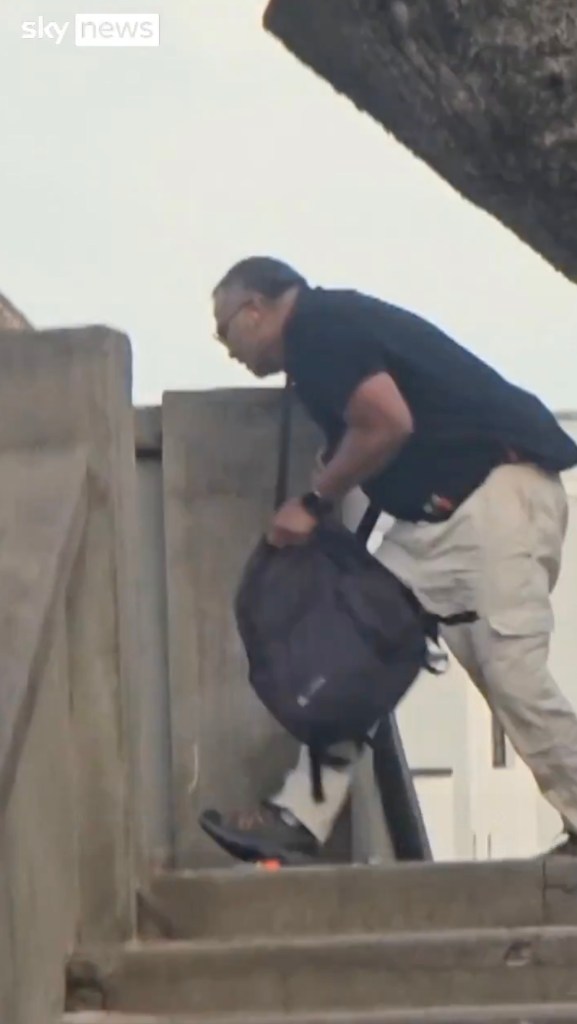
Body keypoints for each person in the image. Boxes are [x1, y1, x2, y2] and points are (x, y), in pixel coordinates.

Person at [200, 255, 577, 862]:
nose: (227, 346)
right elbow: (383, 422)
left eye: (226, 328)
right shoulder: (327, 332)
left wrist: (314, 502)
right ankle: (299, 818)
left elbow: (387, 423)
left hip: (496, 497)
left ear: (257, 309)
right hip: (448, 518)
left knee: (511, 674)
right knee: (359, 651)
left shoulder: (317, 331)